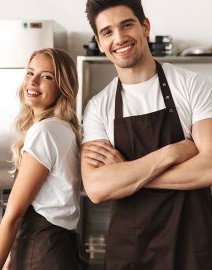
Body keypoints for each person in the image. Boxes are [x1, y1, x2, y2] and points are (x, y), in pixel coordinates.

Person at [82, 0, 212, 269]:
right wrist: (172, 152)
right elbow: (96, 188)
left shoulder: (191, 85)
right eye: (107, 32)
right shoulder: (98, 106)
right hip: (130, 252)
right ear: (100, 41)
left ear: (145, 26)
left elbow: (209, 168)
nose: (119, 38)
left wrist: (126, 174)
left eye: (126, 25)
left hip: (191, 247)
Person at [0, 48, 82, 270]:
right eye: (30, 73)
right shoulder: (63, 129)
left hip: (41, 255)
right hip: (55, 250)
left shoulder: (45, 132)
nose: (33, 81)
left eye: (47, 76)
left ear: (62, 87)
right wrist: (12, 256)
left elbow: (13, 214)